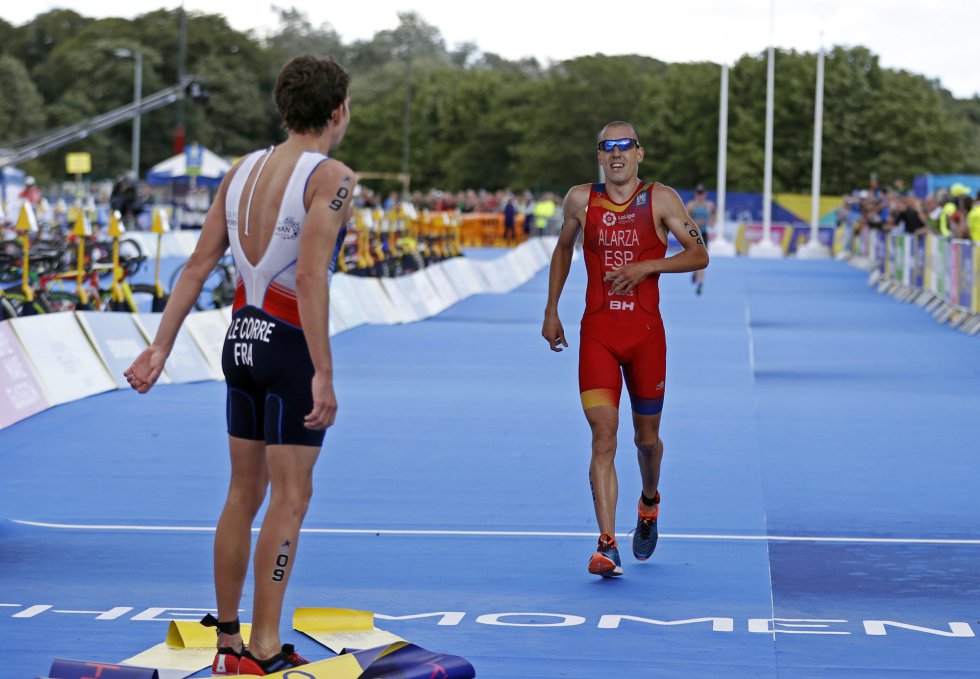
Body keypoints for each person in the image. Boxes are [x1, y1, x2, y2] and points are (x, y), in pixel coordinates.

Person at [124, 55, 356, 675]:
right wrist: (324, 372)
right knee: (291, 497)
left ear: (284, 108)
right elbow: (310, 275)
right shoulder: (332, 175)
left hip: (241, 341)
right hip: (288, 347)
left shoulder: (242, 169)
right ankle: (264, 645)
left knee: (241, 494)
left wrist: (160, 346)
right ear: (338, 111)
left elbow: (197, 265)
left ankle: (227, 639)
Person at [542, 121, 708, 578]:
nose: (616, 153)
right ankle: (607, 543)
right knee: (603, 435)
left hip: (645, 338)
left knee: (646, 441)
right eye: (606, 147)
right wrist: (551, 309)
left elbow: (699, 255)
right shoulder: (580, 199)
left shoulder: (662, 199)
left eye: (624, 146)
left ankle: (649, 502)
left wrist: (647, 267)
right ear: (599, 156)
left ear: (640, 154)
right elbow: (563, 251)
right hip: (597, 334)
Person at [685, 184, 714, 295]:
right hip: (694, 234)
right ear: (695, 194)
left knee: (702, 259)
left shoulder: (709, 206)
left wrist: (710, 222)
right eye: (698, 193)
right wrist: (695, 224)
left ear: (705, 194)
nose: (700, 195)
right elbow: (685, 222)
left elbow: (712, 219)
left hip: (704, 234)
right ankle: (694, 272)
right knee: (694, 258)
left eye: (702, 193)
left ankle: (700, 283)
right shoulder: (691, 206)